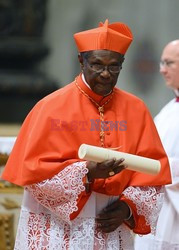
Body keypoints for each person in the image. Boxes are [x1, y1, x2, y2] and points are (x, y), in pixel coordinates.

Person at [1, 20, 171, 250]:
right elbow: (34, 174)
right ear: (82, 61)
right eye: (97, 65)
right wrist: (87, 172)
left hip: (110, 223)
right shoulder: (50, 107)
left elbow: (151, 174)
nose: (105, 74)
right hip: (58, 227)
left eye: (114, 67)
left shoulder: (136, 109)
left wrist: (127, 208)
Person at [135, 40, 179, 250]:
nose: (162, 70)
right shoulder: (169, 108)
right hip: (158, 204)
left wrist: (157, 166)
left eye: (169, 63)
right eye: (161, 62)